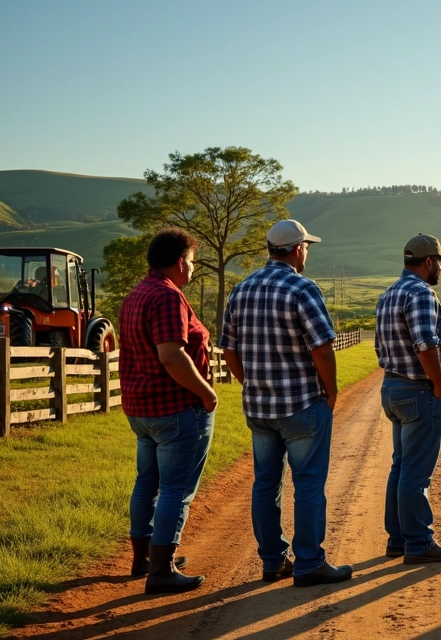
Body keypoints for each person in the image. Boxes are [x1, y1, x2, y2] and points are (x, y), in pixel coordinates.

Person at [220, 219, 348, 587]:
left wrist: (251, 384)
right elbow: (321, 348)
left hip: (260, 409)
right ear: (296, 249)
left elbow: (228, 350)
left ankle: (272, 560)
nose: (306, 252)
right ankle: (309, 563)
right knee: (308, 484)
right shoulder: (302, 288)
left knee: (265, 484)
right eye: (306, 246)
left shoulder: (241, 290)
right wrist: (331, 392)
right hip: (301, 404)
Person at [119, 228, 217, 595]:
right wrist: (207, 393)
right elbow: (172, 355)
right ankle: (161, 569)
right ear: (179, 262)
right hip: (175, 407)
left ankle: (144, 557)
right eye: (191, 262)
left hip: (141, 408)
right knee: (176, 488)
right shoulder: (167, 296)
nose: (192, 268)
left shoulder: (136, 294)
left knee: (147, 482)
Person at [374, 234, 441, 564]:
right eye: (439, 263)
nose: (440, 269)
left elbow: (380, 347)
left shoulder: (388, 294)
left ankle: (398, 538)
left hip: (392, 387)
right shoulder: (421, 293)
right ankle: (419, 542)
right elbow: (425, 343)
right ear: (428, 262)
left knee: (401, 465)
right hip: (419, 390)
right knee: (416, 470)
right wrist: (438, 385)